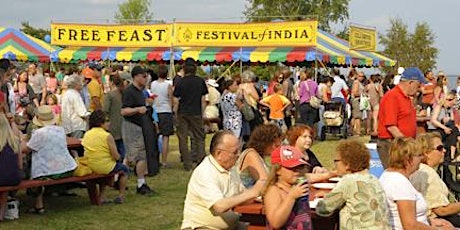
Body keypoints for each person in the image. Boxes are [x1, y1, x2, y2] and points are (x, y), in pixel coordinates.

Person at [181, 130, 264, 230]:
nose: (238, 155)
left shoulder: (230, 169)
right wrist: (252, 192)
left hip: (233, 225)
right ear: (219, 153)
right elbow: (219, 206)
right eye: (234, 152)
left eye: (239, 150)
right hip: (203, 227)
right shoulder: (205, 172)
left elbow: (242, 195)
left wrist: (261, 195)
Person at [379, 137, 453, 229]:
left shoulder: (388, 175)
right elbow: (410, 226)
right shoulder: (400, 184)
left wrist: (430, 221)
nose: (423, 158)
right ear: (409, 159)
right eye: (419, 155)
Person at [316, 139, 390, 229]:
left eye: (336, 161)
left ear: (347, 164)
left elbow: (323, 209)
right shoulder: (373, 179)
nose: (335, 165)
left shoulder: (348, 181)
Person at [22, 106, 78, 214]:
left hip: (48, 172)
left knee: (32, 169)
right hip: (67, 168)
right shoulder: (61, 130)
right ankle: (50, 195)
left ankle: (39, 205)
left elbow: (26, 150)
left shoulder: (39, 133)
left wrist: (22, 141)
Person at [377, 67, 427, 168]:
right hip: (392, 144)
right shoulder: (392, 96)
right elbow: (391, 126)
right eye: (418, 85)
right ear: (411, 82)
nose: (420, 88)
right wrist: (407, 144)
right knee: (395, 174)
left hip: (402, 144)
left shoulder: (407, 98)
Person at [410, 132, 460, 227]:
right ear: (427, 153)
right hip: (433, 221)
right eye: (440, 148)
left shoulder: (418, 169)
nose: (444, 150)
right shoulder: (428, 173)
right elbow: (441, 210)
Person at [121, 66, 156, 195]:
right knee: (133, 157)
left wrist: (147, 103)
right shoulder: (129, 91)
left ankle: (139, 183)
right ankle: (122, 179)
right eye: (143, 76)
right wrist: (138, 109)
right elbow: (123, 111)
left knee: (139, 155)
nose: (145, 79)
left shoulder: (140, 91)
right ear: (136, 76)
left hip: (140, 126)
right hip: (131, 126)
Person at [82, 110, 129, 204]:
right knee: (124, 170)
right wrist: (121, 158)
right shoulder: (107, 136)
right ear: (100, 123)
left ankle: (101, 197)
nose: (109, 123)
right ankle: (121, 196)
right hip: (104, 166)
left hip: (90, 165)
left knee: (105, 168)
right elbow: (116, 156)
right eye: (107, 121)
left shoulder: (87, 134)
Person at [263, 145, 312, 229]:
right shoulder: (274, 191)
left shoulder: (298, 187)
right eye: (291, 167)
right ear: (278, 170)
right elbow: (275, 222)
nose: (296, 171)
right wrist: (291, 197)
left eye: (300, 167)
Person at [173, 58, 208, 171]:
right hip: (196, 112)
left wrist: (175, 112)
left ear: (184, 68)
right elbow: (203, 99)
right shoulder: (200, 81)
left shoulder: (180, 82)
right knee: (199, 138)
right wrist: (202, 113)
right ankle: (201, 161)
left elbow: (176, 99)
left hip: (183, 112)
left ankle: (187, 164)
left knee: (183, 139)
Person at [235, 124, 283, 188]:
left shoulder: (263, 157)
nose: (278, 149)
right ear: (265, 143)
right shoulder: (251, 154)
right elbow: (264, 183)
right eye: (276, 146)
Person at [150, 65, 174, 168]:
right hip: (166, 111)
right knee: (165, 138)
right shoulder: (168, 85)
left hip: (155, 110)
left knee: (154, 137)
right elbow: (170, 98)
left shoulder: (153, 84)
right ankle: (164, 161)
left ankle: (154, 159)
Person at [0, 113, 22, 221]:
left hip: (4, 177)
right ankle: (1, 213)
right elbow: (20, 165)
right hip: (14, 178)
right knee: (5, 174)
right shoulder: (14, 141)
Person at [103, 74, 126, 165]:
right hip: (123, 124)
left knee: (114, 147)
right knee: (123, 147)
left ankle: (118, 166)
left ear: (111, 82)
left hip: (113, 125)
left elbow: (105, 110)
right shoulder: (123, 93)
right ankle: (125, 165)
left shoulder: (109, 95)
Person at [430, 91, 460, 159]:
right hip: (436, 129)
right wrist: (444, 127)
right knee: (453, 132)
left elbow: (451, 121)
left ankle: (450, 157)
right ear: (448, 100)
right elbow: (433, 120)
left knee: (453, 129)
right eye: (453, 102)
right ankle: (451, 156)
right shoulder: (439, 107)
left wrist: (448, 119)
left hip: (446, 129)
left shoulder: (450, 109)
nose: (453, 104)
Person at [61, 75, 90, 139]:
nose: (82, 84)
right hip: (77, 126)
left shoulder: (66, 94)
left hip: (67, 126)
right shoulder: (75, 95)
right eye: (80, 82)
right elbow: (82, 113)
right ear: (76, 84)